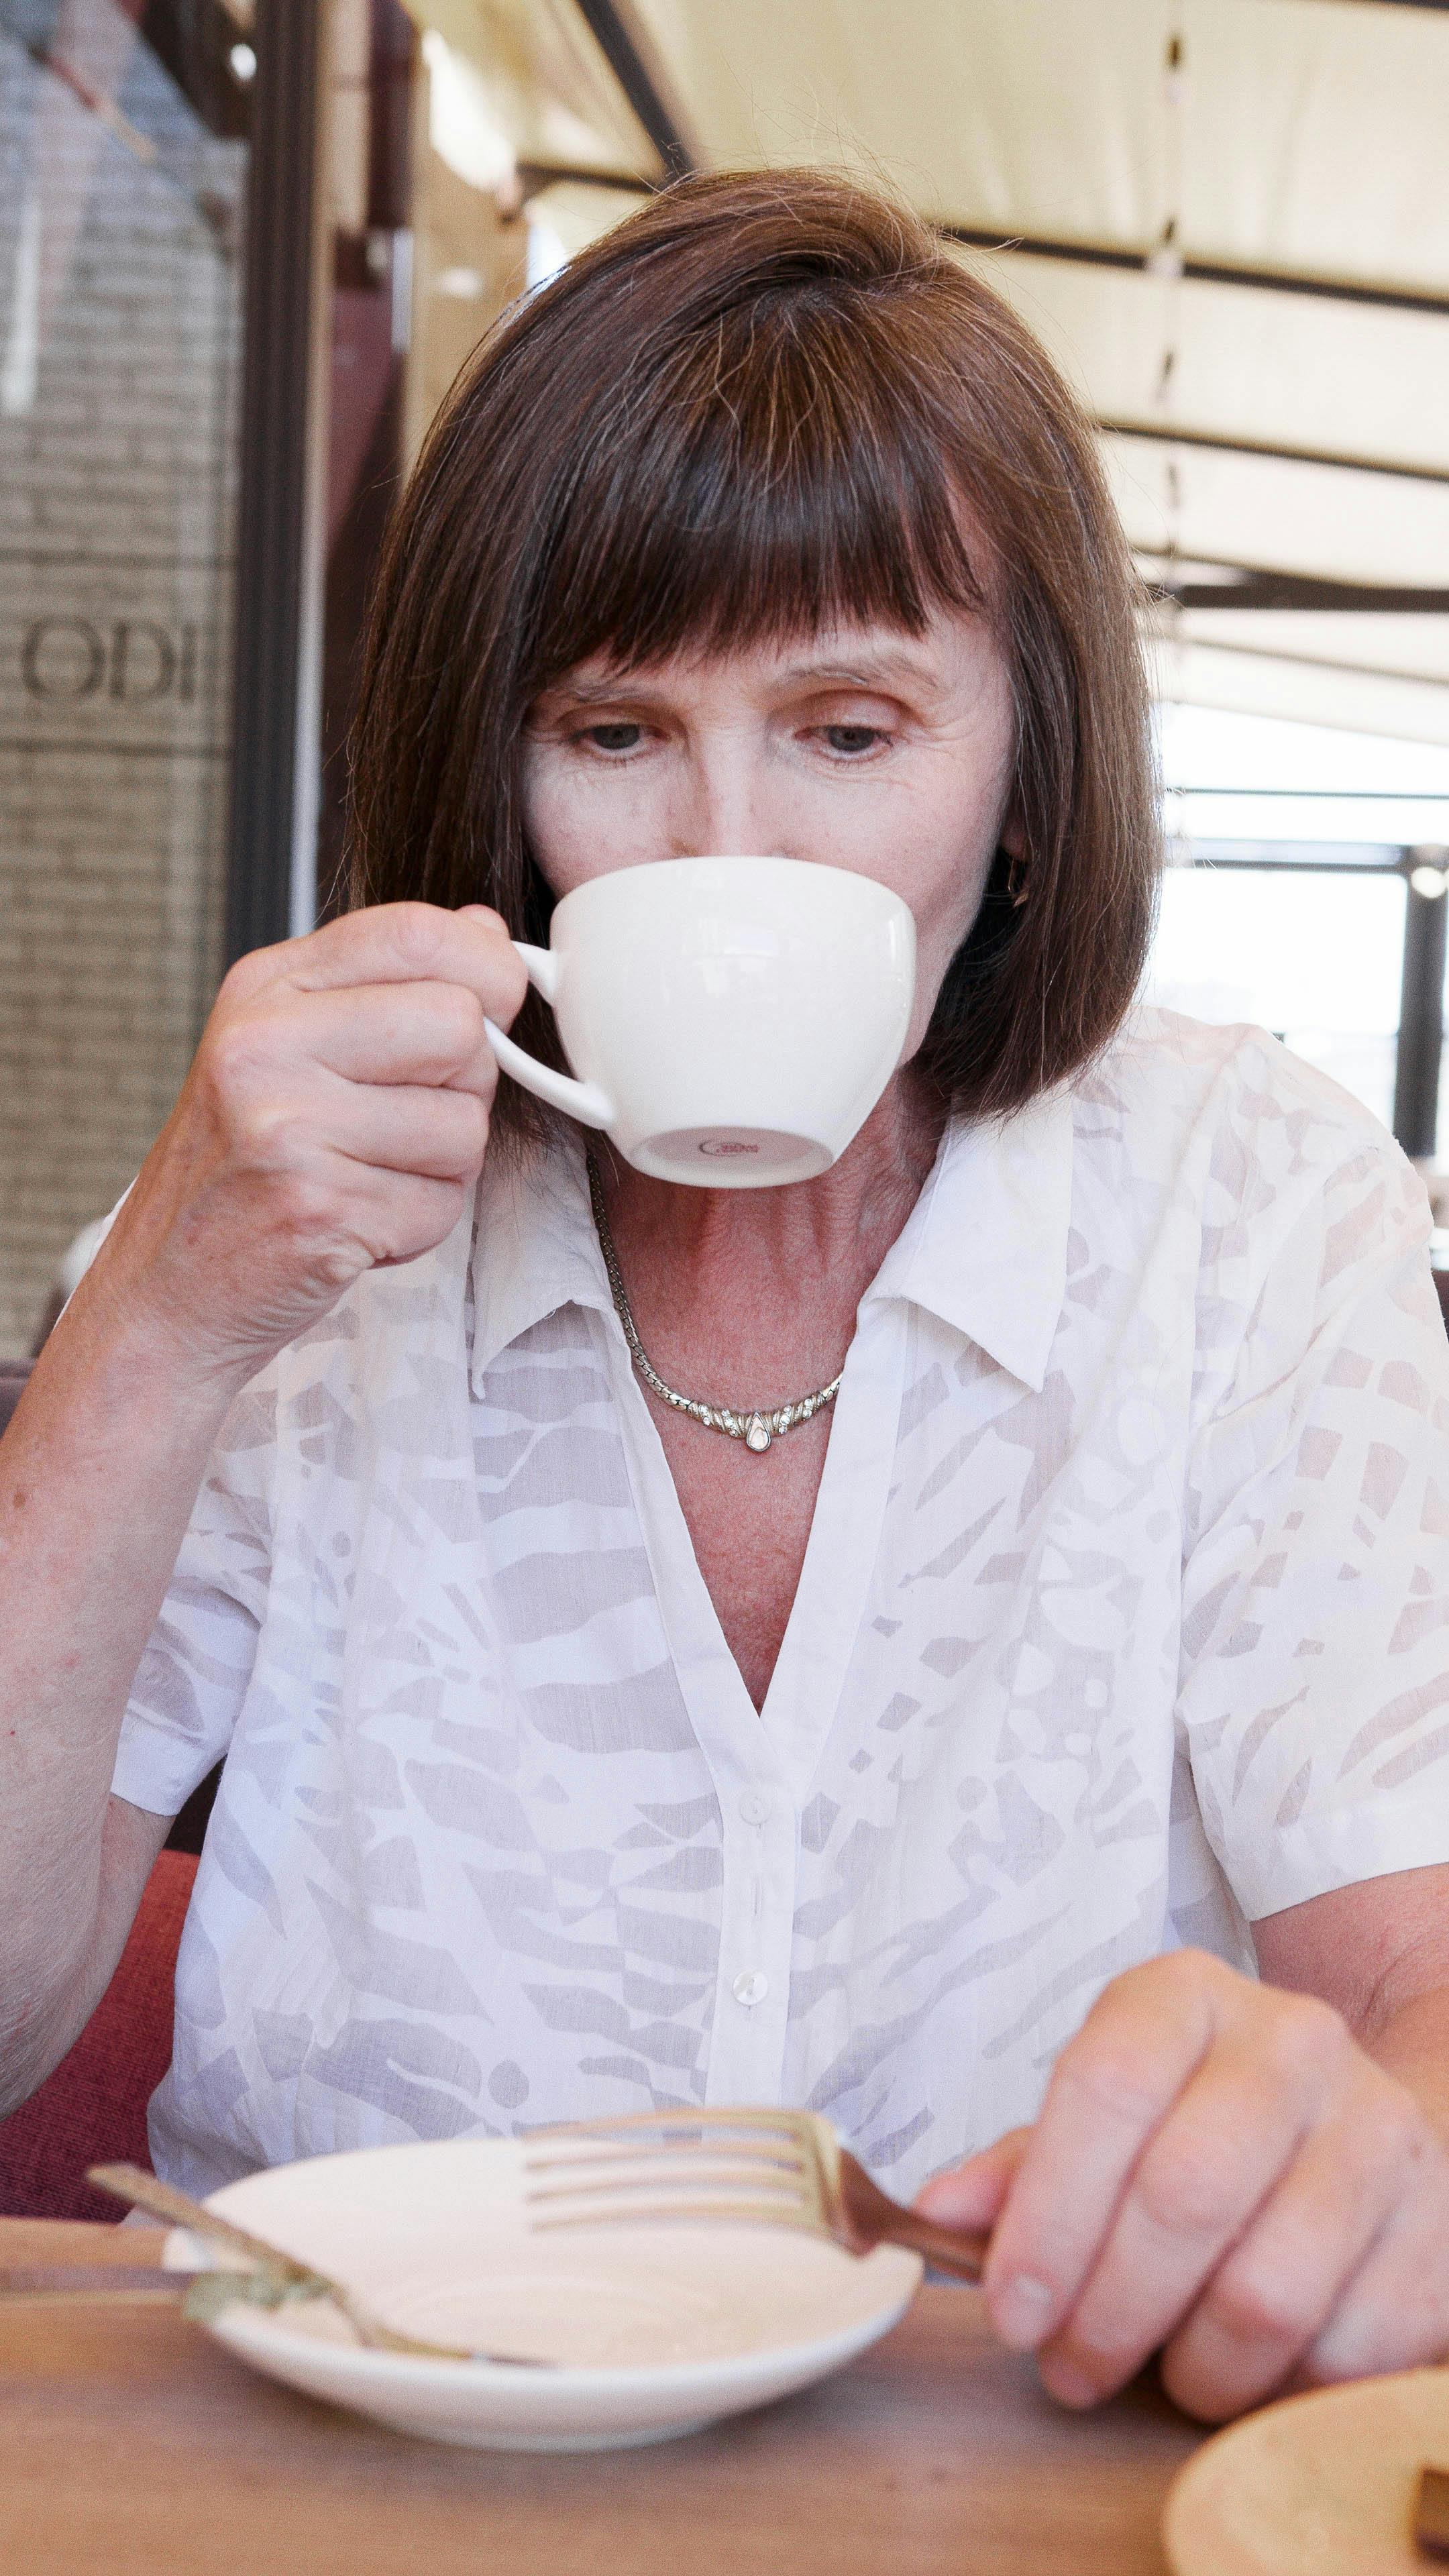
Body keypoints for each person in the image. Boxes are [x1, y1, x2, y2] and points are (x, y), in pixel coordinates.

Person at [3, 170, 1449, 2428]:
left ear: (1027, 776)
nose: (724, 855)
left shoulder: (1245, 1212)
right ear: (497, 777)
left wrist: (1370, 2167)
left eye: (851, 733)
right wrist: (159, 1316)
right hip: (327, 2472)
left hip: (1011, 2469)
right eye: (613, 734)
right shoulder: (273, 1241)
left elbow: (1416, 1991)